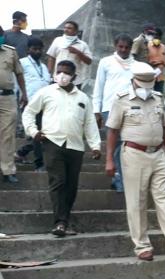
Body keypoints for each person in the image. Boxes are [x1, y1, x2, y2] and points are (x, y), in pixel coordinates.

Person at [105, 61, 165, 261]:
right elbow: (112, 131)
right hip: (133, 154)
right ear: (133, 81)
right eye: (142, 84)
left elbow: (164, 128)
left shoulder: (157, 98)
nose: (146, 89)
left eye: (150, 84)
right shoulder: (121, 100)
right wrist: (109, 160)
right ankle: (142, 246)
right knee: (136, 201)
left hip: (158, 154)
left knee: (164, 199)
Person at [22, 60, 101, 237]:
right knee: (58, 181)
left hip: (75, 146)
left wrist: (95, 146)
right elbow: (29, 112)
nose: (62, 75)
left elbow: (89, 123)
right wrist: (33, 131)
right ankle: (60, 222)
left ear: (74, 76)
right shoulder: (46, 92)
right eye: (59, 72)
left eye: (66, 72)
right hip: (52, 143)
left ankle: (64, 219)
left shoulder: (83, 98)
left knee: (71, 186)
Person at [93, 33, 135, 192]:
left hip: (130, 108)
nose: (123, 50)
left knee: (127, 144)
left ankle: (121, 178)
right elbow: (99, 85)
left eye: (126, 47)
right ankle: (121, 182)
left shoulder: (136, 65)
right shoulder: (106, 62)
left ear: (131, 48)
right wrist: (96, 110)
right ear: (115, 46)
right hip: (109, 108)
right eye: (121, 47)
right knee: (116, 144)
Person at [15, 37, 51, 172]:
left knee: (44, 133)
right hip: (29, 103)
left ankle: (21, 153)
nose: (37, 51)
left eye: (39, 49)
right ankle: (39, 164)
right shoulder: (22, 63)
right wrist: (18, 98)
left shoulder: (43, 66)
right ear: (28, 50)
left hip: (45, 104)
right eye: (34, 49)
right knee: (37, 134)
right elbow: (16, 82)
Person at [0, 25, 28, 183]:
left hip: (7, 98)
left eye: (0, 34)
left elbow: (19, 74)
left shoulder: (11, 51)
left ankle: (8, 170)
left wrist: (24, 93)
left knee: (7, 136)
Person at [47, 21, 92, 90]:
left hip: (75, 81)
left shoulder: (82, 44)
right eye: (65, 28)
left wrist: (78, 52)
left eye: (69, 28)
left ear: (76, 31)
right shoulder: (58, 40)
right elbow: (51, 57)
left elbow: (89, 61)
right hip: (58, 78)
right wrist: (49, 74)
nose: (66, 30)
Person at [147, 28, 165, 93]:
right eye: (154, 35)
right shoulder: (147, 45)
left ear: (160, 37)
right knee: (148, 94)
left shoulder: (163, 47)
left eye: (158, 36)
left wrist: (161, 66)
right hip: (149, 74)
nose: (156, 37)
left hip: (160, 76)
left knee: (158, 95)